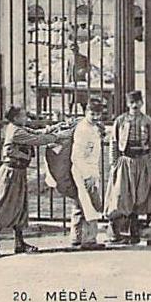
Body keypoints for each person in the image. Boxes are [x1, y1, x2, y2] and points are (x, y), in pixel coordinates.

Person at [0, 105, 59, 258]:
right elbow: (38, 140)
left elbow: (38, 132)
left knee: (20, 207)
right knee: (5, 206)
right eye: (23, 116)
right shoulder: (16, 131)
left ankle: (19, 243)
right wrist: (58, 137)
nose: (26, 118)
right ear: (15, 118)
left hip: (18, 171)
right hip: (10, 172)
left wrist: (56, 127)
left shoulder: (19, 128)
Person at [46, 98, 107, 248]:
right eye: (92, 113)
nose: (95, 117)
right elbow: (77, 156)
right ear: (86, 112)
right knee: (89, 204)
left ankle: (76, 236)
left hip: (87, 169)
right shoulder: (83, 130)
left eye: (98, 114)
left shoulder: (92, 127)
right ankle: (90, 239)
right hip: (83, 170)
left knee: (79, 203)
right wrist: (87, 177)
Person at [105, 90, 151, 244]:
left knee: (139, 197)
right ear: (128, 104)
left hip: (142, 162)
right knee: (121, 196)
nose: (135, 105)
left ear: (142, 103)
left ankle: (134, 232)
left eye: (137, 102)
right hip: (125, 162)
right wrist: (114, 162)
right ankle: (115, 231)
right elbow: (113, 142)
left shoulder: (147, 121)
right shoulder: (120, 121)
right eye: (131, 103)